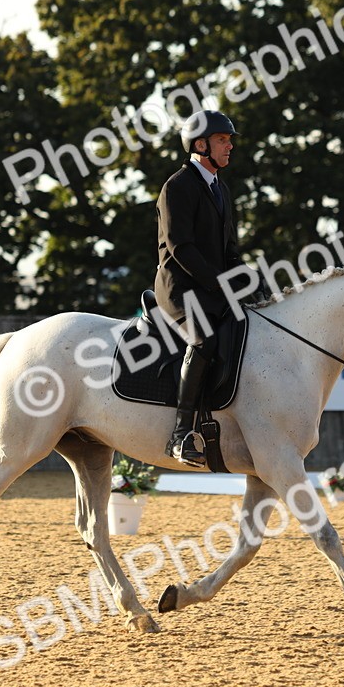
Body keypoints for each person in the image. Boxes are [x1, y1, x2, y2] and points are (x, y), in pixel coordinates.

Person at [155, 109, 247, 468]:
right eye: (224, 140)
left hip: (211, 289)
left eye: (229, 140)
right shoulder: (177, 186)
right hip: (179, 288)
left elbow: (229, 250)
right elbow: (180, 247)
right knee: (204, 340)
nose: (230, 146)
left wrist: (248, 278)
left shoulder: (220, 188)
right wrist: (220, 283)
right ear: (201, 144)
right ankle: (180, 436)